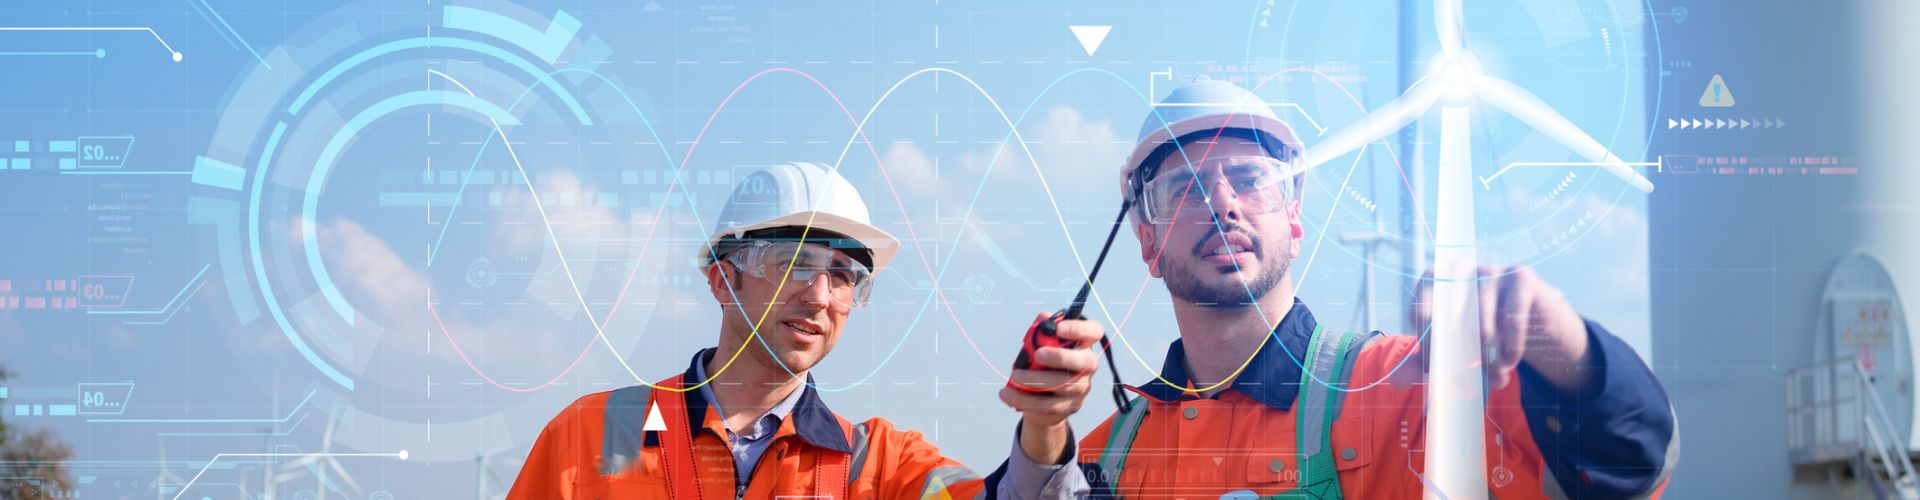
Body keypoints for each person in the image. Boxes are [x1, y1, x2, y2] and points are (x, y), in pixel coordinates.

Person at [986, 80, 1678, 498]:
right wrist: (1043, 436)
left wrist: (1566, 350)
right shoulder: (1109, 456)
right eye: (1185, 188)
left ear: (1293, 213)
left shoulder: (1410, 392)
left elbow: (1621, 471)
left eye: (1250, 179)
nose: (1222, 203)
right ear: (1146, 238)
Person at [508, 162, 1101, 499]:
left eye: (843, 275)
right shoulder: (598, 434)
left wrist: (1045, 425)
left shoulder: (879, 465)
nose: (819, 296)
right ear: (722, 280)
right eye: (792, 265)